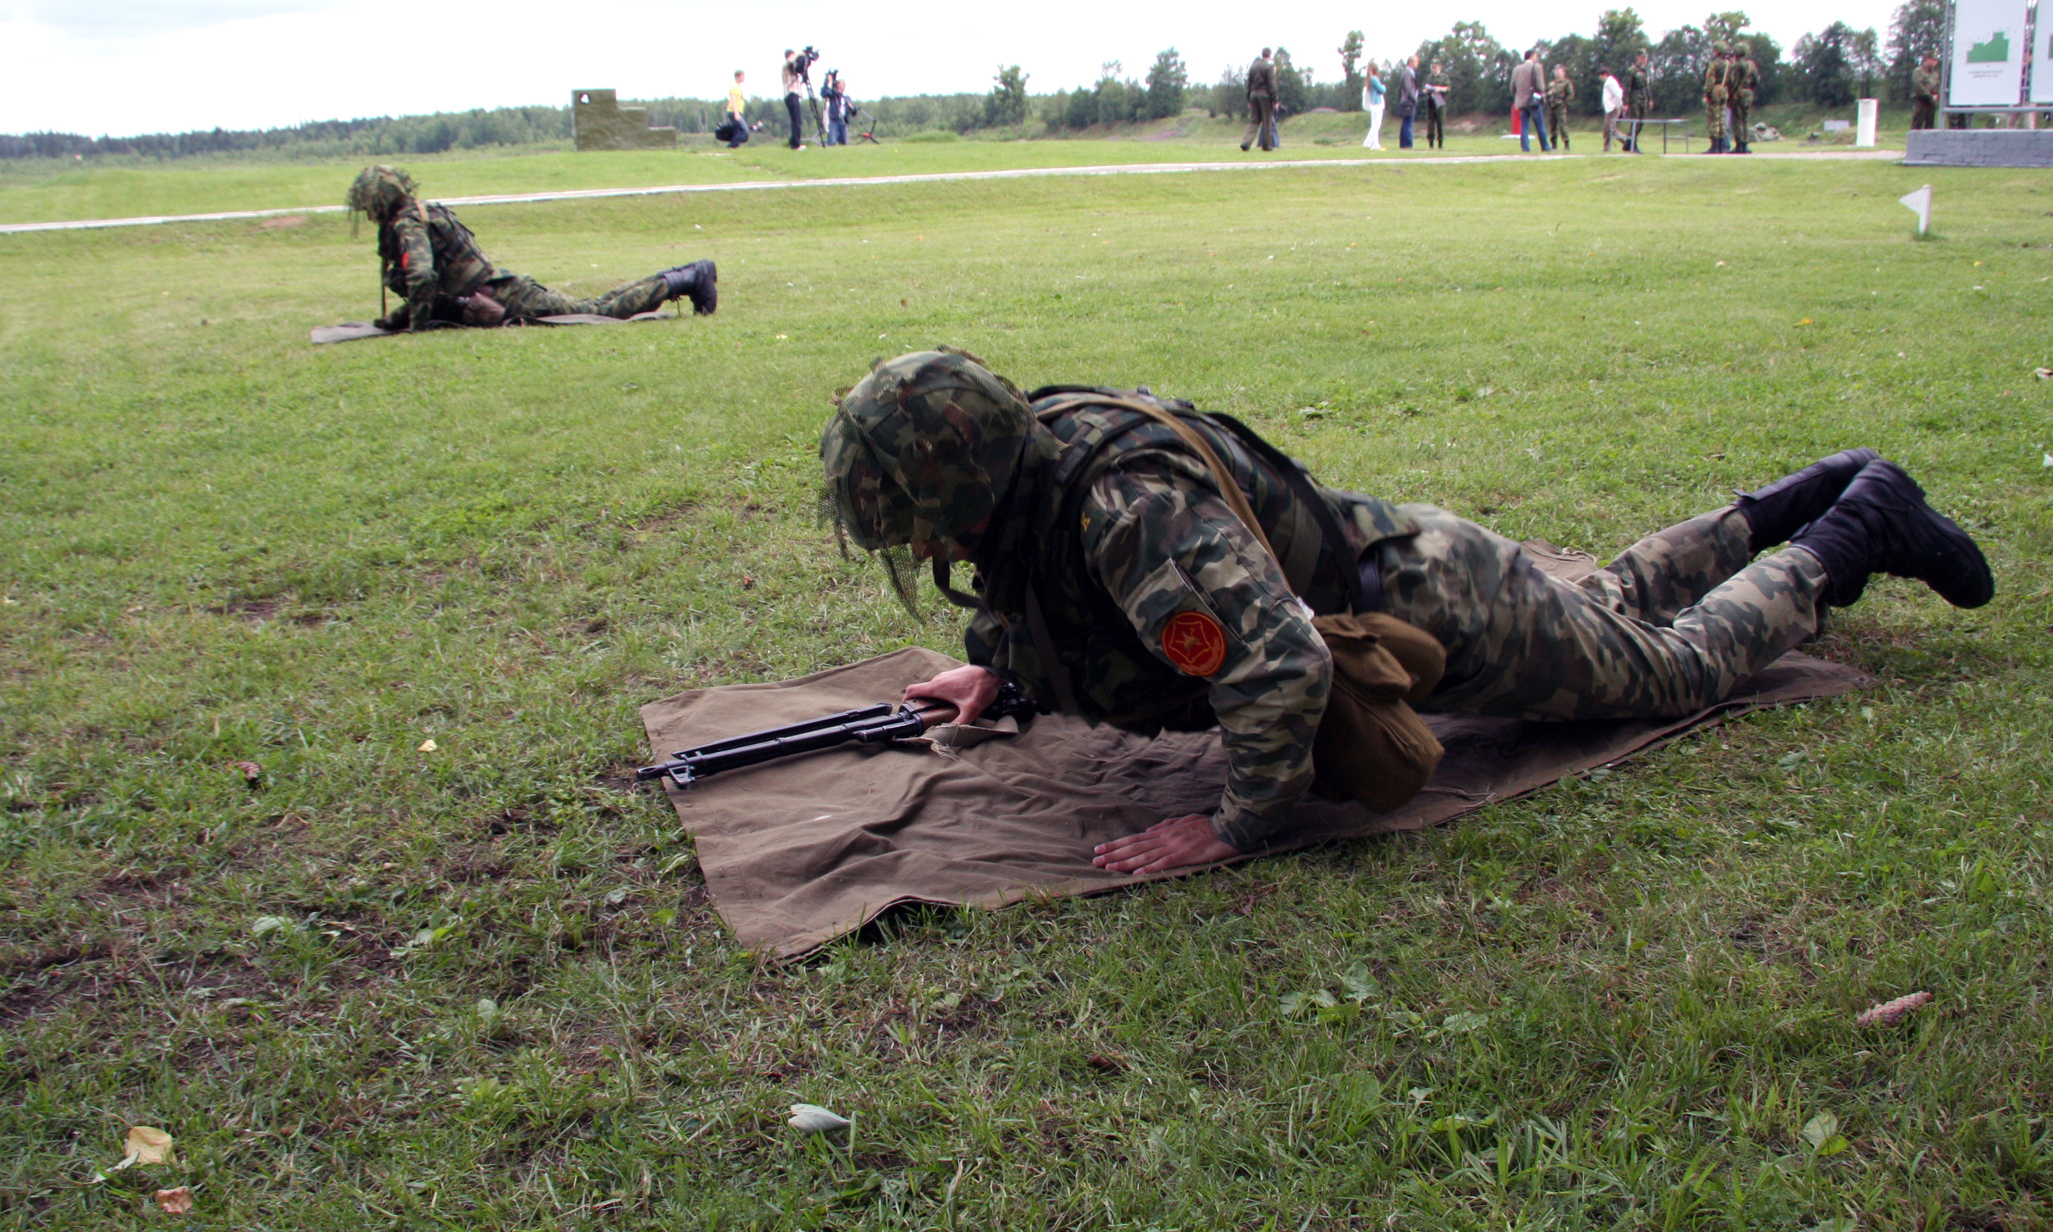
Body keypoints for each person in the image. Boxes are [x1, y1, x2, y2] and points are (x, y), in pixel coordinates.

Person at [820, 350, 1992, 875]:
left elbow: (1277, 670)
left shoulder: (1122, 509)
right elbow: (1052, 605)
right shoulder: (1039, 469)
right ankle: (1805, 495)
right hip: (1419, 566)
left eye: (920, 523)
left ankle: (1855, 530)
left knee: (1672, 671)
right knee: (1614, 606)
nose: (923, 549)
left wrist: (1238, 823)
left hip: (1444, 615)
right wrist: (1000, 676)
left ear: (959, 481)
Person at [344, 165, 717, 329]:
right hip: (497, 291)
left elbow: (422, 276)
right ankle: (683, 277)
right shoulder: (420, 213)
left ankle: (687, 278)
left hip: (503, 296)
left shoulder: (409, 222)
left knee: (601, 313)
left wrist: (418, 328)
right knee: (597, 306)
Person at [1241, 47, 1279, 152]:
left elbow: (1249, 83)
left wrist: (1249, 98)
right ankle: (1267, 146)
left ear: (1262, 54)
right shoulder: (1269, 67)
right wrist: (1275, 99)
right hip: (1265, 95)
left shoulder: (1253, 66)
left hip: (1253, 94)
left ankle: (1246, 142)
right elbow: (1272, 84)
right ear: (1269, 55)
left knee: (1254, 120)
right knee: (1267, 121)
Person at [1512, 48, 1549, 153]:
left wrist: (1518, 96)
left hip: (1521, 101)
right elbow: (1540, 86)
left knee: (1524, 125)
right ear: (1532, 56)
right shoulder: (1537, 67)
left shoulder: (1516, 69)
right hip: (1534, 101)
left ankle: (1525, 147)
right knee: (1540, 124)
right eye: (1536, 56)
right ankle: (1545, 146)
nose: (1537, 58)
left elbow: (1512, 87)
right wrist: (1542, 93)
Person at [1703, 43, 1733, 154]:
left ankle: (1714, 146)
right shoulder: (1728, 64)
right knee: (1721, 118)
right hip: (1724, 89)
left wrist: (1707, 93)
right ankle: (1722, 146)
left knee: (1713, 118)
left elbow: (1710, 79)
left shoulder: (1714, 63)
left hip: (1715, 89)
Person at [1730, 42, 1759, 154]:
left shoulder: (1736, 65)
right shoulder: (1752, 65)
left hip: (1739, 93)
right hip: (1748, 93)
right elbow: (1756, 80)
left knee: (1737, 119)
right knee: (1745, 119)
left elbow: (1733, 81)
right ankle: (1746, 144)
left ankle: (1739, 144)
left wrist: (1732, 93)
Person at [1626, 49, 1653, 151]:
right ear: (1637, 57)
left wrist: (1650, 99)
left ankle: (1628, 143)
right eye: (1642, 57)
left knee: (1641, 122)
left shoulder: (1645, 71)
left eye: (1645, 57)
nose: (1644, 59)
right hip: (1634, 98)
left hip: (1643, 98)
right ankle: (1632, 144)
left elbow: (1647, 86)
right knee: (1635, 122)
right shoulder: (1632, 71)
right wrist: (1626, 102)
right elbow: (1628, 87)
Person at [782, 49, 809, 151]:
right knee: (797, 120)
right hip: (791, 94)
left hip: (792, 95)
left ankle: (793, 142)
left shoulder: (790, 66)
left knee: (795, 120)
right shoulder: (786, 64)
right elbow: (791, 60)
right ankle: (795, 145)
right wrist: (802, 54)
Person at [1912, 53, 1941, 139]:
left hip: (1931, 102)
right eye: (1934, 60)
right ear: (1928, 59)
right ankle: (1915, 143)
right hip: (1921, 100)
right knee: (1917, 124)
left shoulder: (1936, 73)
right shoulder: (1919, 71)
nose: (1936, 62)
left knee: (1930, 125)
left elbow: (1937, 85)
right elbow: (1918, 86)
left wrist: (1936, 94)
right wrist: (1929, 96)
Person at [1546, 64, 1574, 150]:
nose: (1556, 73)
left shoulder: (1566, 82)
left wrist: (1564, 103)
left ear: (1563, 72)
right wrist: (1548, 94)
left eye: (1558, 70)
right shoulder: (1552, 83)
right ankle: (1553, 144)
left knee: (1562, 125)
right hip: (1552, 106)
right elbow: (1546, 93)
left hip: (1560, 106)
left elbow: (1570, 94)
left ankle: (1566, 143)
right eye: (1555, 71)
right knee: (1552, 126)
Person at [1360, 60, 1387, 150]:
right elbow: (1381, 90)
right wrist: (1384, 87)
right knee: (1376, 125)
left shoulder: (1369, 79)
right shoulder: (1374, 79)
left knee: (1375, 124)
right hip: (1376, 103)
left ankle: (1367, 142)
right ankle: (1375, 144)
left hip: (1373, 103)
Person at [1396, 56, 1421, 150]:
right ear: (1410, 62)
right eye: (1416, 61)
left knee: (1405, 123)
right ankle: (1408, 144)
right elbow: (1409, 87)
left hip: (1407, 100)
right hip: (1408, 101)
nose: (1417, 63)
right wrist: (1414, 98)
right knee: (1408, 123)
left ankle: (1404, 144)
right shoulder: (1408, 73)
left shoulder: (1408, 72)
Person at [1600, 65, 1625, 152]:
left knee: (1610, 129)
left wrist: (1619, 104)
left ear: (1605, 74)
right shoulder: (1609, 82)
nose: (1600, 78)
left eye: (1601, 76)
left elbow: (1619, 93)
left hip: (1613, 109)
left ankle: (1627, 142)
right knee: (1607, 129)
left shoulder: (1610, 81)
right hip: (1609, 109)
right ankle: (1606, 148)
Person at [1424, 61, 1449, 149]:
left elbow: (1447, 88)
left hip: (1440, 102)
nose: (1433, 69)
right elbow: (1425, 87)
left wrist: (1440, 88)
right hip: (1431, 101)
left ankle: (1440, 143)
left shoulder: (1444, 77)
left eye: (1435, 67)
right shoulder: (1429, 77)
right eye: (1432, 67)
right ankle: (1430, 142)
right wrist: (1426, 90)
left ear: (1439, 67)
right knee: (1430, 123)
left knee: (1440, 123)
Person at [723, 70, 751, 148]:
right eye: (743, 76)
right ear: (738, 76)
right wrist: (736, 113)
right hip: (734, 111)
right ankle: (732, 145)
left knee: (738, 130)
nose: (744, 78)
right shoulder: (734, 87)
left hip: (738, 111)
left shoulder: (738, 87)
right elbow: (733, 100)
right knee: (744, 131)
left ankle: (734, 146)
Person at [826, 77, 852, 147]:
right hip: (834, 121)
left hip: (843, 121)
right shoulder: (833, 96)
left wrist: (852, 108)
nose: (844, 85)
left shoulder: (847, 98)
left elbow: (853, 112)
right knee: (832, 141)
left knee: (844, 142)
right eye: (842, 83)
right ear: (837, 85)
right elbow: (826, 92)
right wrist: (829, 82)